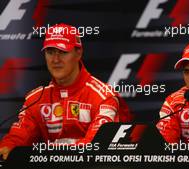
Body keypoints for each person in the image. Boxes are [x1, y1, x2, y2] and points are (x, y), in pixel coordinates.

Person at [0, 23, 131, 160]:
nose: (55, 60)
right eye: (50, 52)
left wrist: (49, 155)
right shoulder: (35, 99)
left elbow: (97, 146)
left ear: (78, 53)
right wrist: (9, 146)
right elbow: (19, 136)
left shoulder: (103, 97)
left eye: (62, 52)